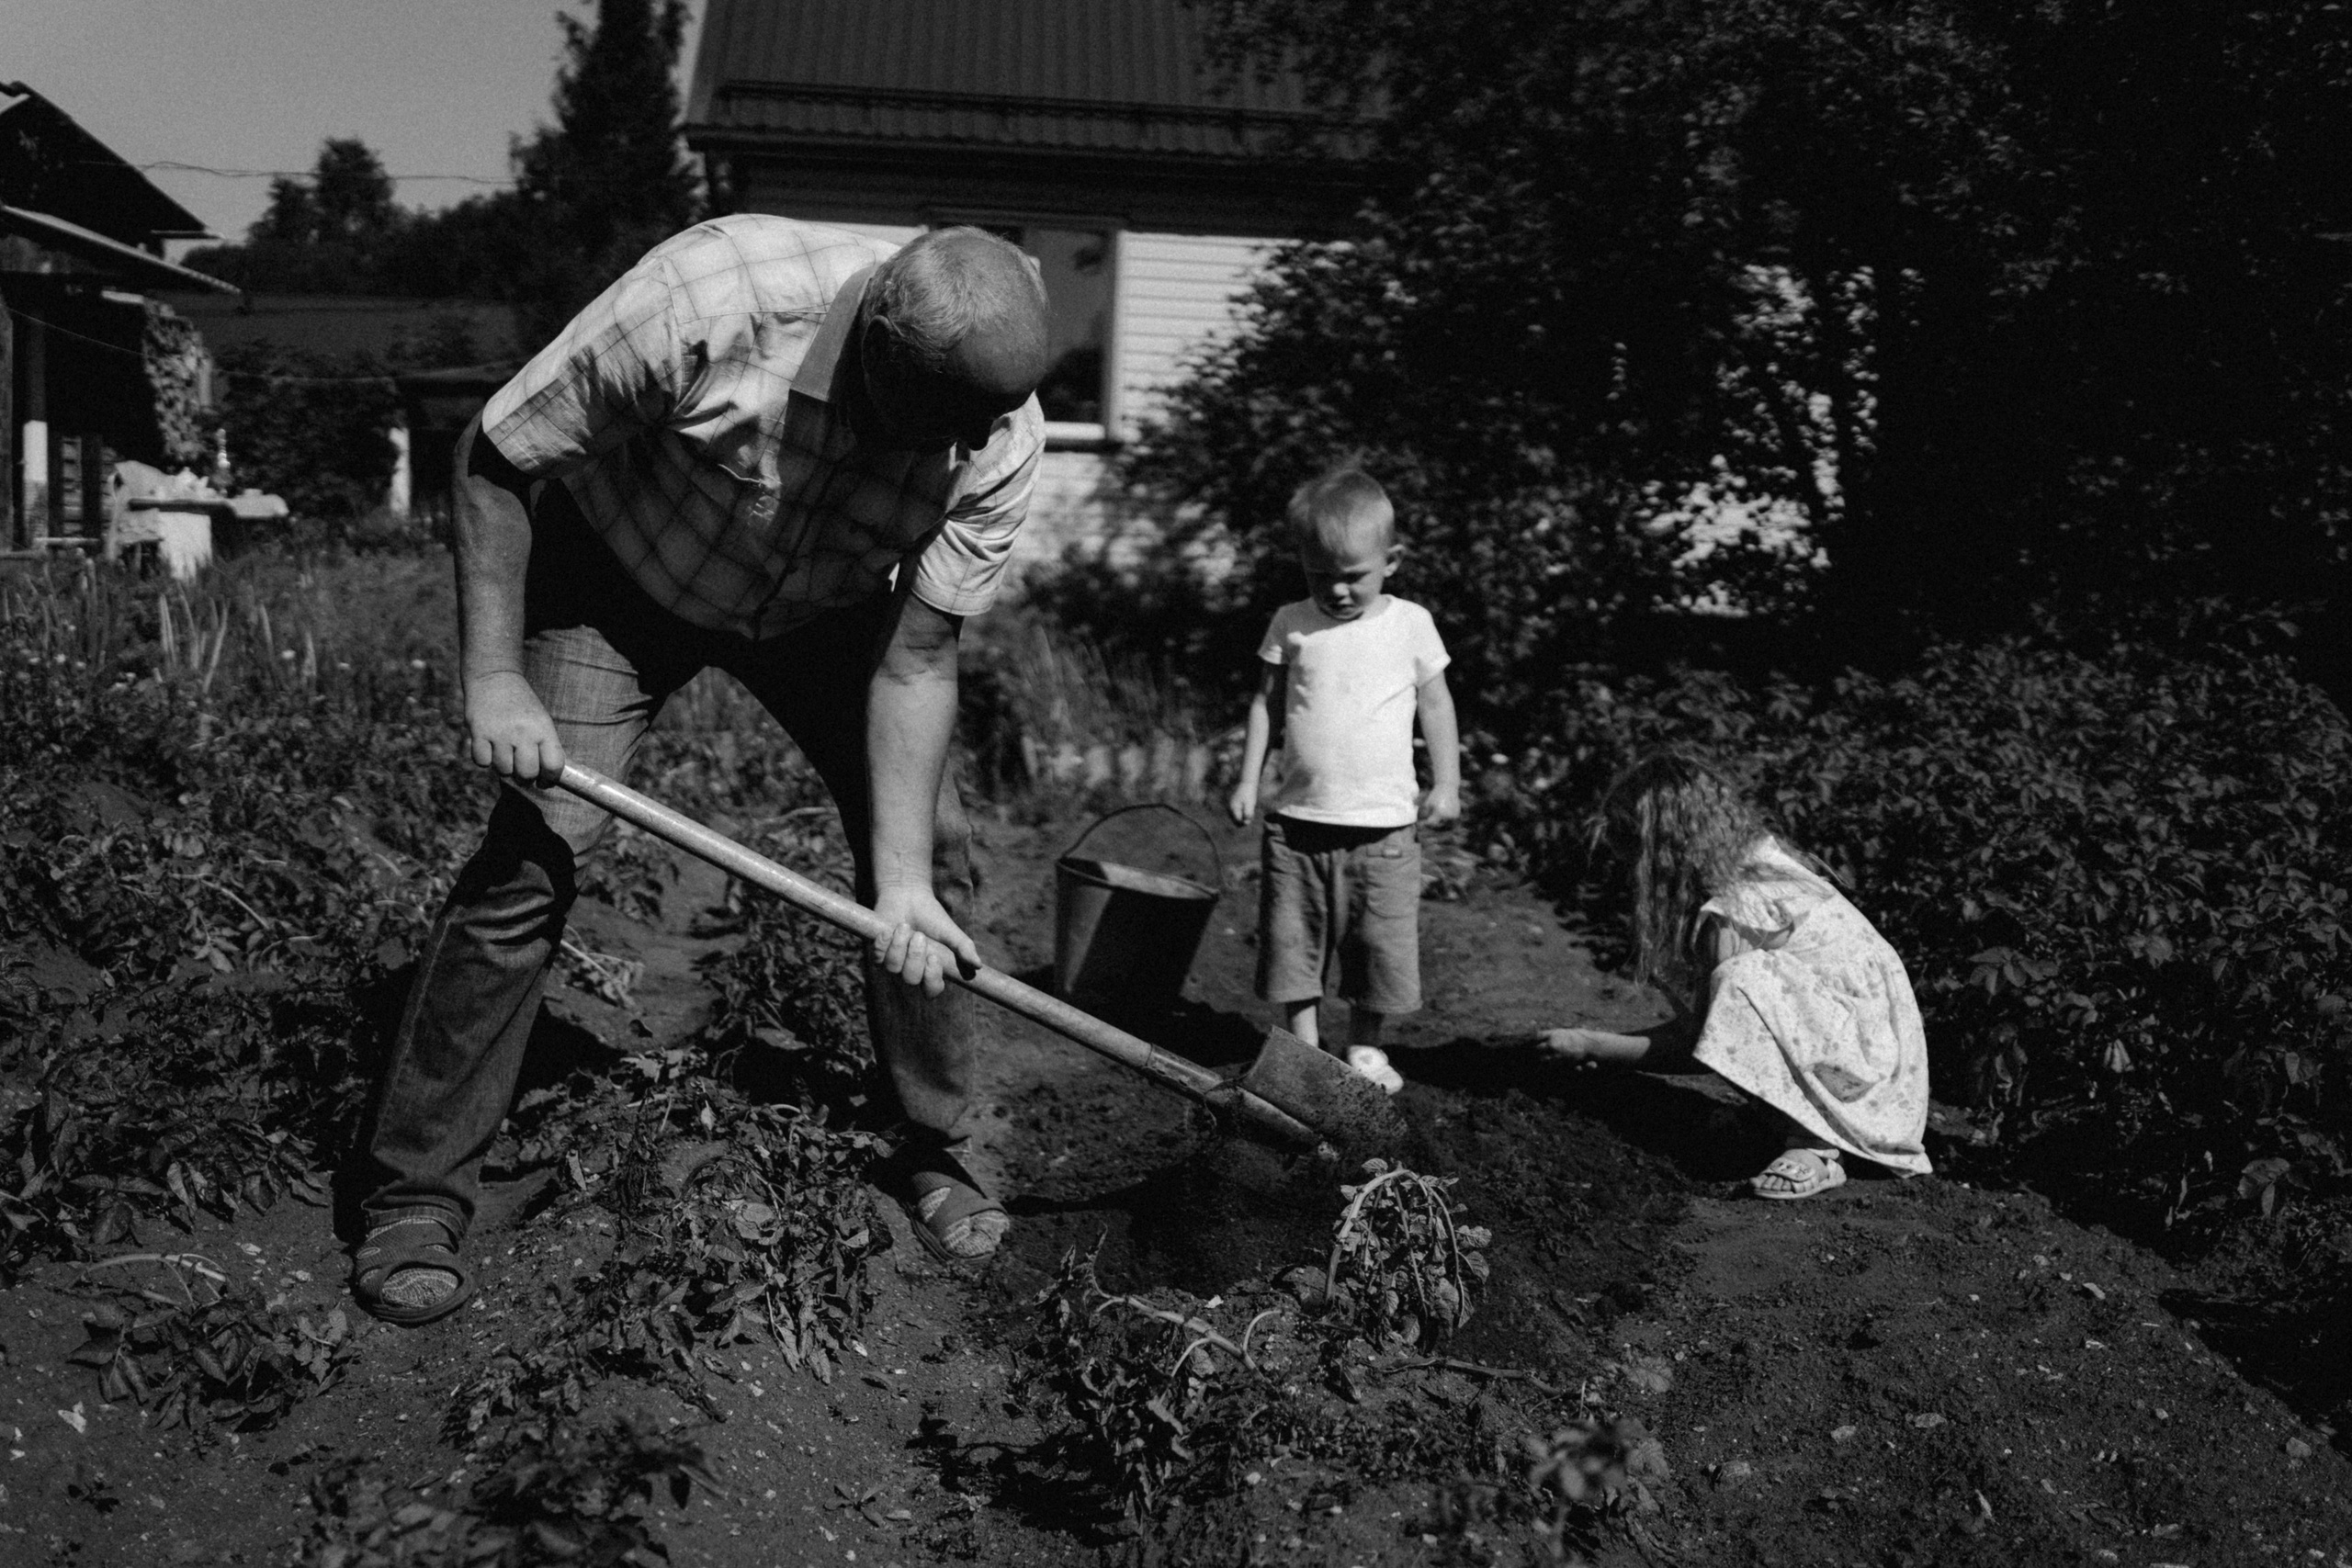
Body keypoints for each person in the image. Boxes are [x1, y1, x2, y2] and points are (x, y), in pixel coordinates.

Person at [348, 217, 1051, 1325]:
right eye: (956, 418)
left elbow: (916, 659)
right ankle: (413, 1191)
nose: (984, 436)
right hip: (624, 577)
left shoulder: (996, 430)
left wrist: (902, 880)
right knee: (540, 849)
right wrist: (494, 676)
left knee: (932, 853)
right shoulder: (707, 301)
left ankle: (931, 1147)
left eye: (994, 415)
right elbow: (495, 455)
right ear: (879, 361)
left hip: (824, 610)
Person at [1534, 752, 1932, 1198]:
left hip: (1870, 1080)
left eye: (1634, 859)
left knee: (1740, 981)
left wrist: (1593, 1045)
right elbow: (1712, 1036)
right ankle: (1798, 1120)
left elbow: (1701, 1042)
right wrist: (1591, 1044)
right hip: (1874, 1067)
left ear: (1661, 851)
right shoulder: (1765, 863)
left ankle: (1816, 1149)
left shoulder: (1737, 910)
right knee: (1738, 990)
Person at [1227, 468, 1461, 1096]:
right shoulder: (1291, 623)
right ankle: (1304, 1051)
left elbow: (1436, 705)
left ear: (1392, 560)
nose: (1336, 589)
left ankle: (1364, 1045)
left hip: (1383, 825)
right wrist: (1249, 779)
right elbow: (1265, 706)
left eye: (1352, 575)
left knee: (1376, 941)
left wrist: (1447, 783)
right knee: (1291, 937)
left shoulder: (1410, 624)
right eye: (1319, 574)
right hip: (1299, 820)